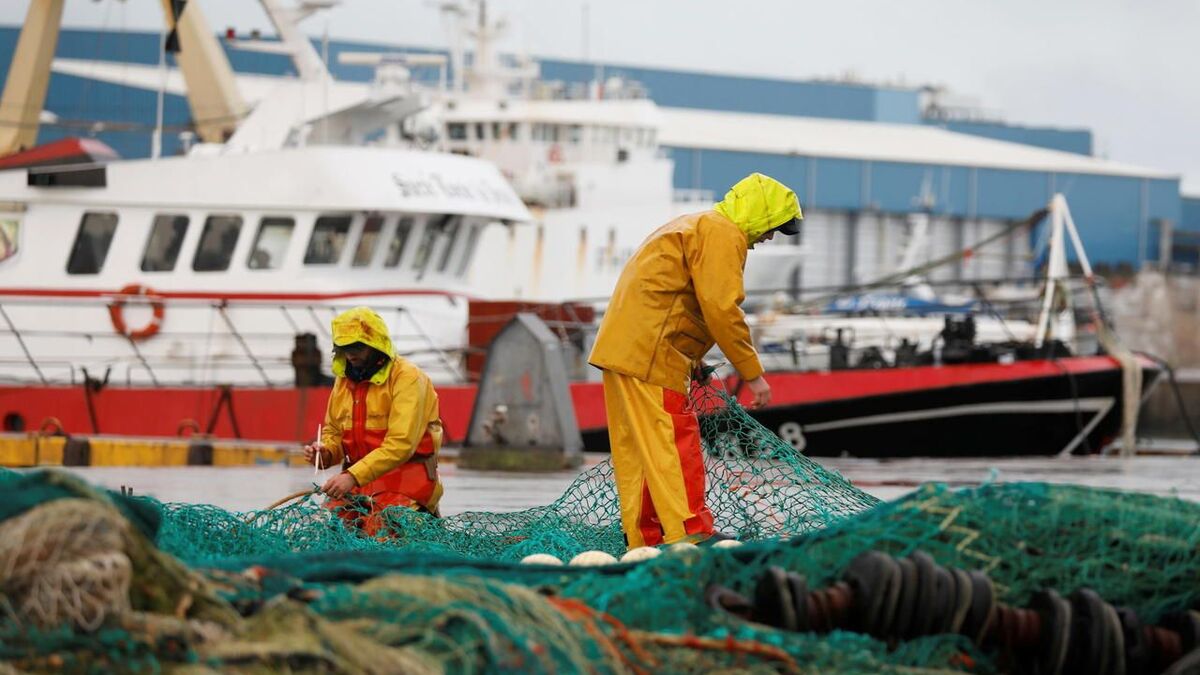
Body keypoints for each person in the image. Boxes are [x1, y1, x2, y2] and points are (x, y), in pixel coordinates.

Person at [588, 172, 802, 549]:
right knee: (674, 440)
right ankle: (690, 532)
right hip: (652, 357)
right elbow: (721, 309)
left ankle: (644, 538)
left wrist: (694, 361)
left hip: (626, 351)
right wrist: (753, 375)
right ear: (760, 213)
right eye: (773, 228)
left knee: (640, 451)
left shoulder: (696, 225)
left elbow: (678, 301)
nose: (769, 238)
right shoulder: (722, 233)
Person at [303, 306, 445, 533]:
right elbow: (334, 432)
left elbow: (401, 444)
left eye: (357, 347)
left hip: (405, 486)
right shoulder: (344, 380)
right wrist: (325, 453)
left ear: (376, 344)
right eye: (344, 348)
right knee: (327, 531)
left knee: (380, 533)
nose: (350, 354)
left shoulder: (407, 377)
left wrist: (351, 476)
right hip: (358, 487)